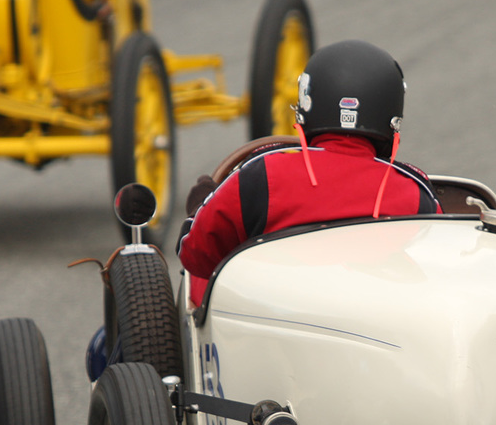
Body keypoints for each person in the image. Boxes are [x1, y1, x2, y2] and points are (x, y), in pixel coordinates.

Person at [178, 40, 441, 301]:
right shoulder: (414, 192)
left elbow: (195, 255)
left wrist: (197, 210)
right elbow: (438, 264)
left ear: (307, 102)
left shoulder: (262, 175)